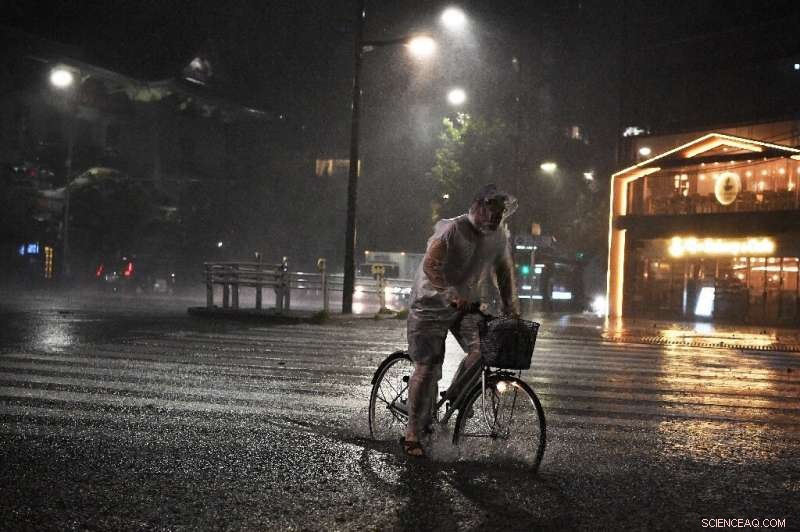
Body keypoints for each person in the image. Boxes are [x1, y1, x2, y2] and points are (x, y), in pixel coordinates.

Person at [402, 184, 519, 457]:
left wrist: (510, 307)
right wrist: (449, 292)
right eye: (490, 211)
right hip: (430, 303)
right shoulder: (451, 229)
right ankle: (412, 434)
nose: (494, 218)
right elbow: (432, 265)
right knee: (428, 364)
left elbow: (504, 271)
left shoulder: (499, 236)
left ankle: (454, 399)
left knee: (484, 350)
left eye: (499, 213)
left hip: (464, 306)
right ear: (476, 206)